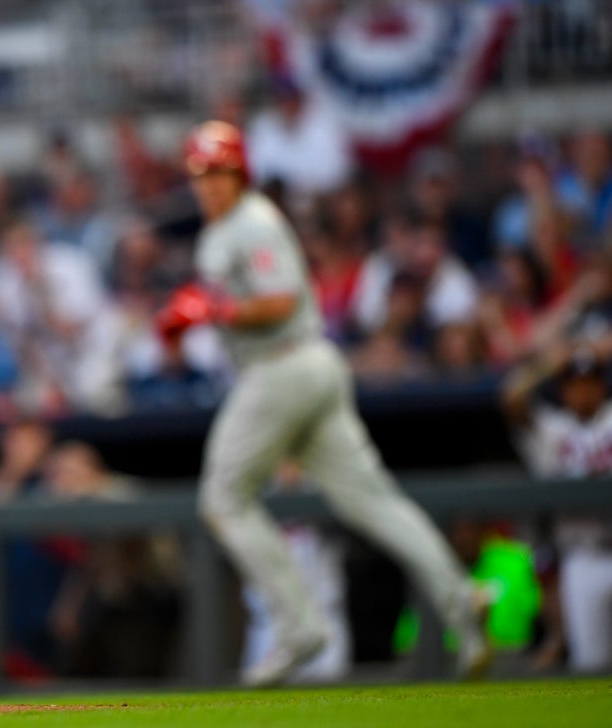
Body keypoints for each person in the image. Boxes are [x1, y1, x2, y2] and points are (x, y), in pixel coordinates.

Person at [156, 121, 490, 687]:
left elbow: (279, 299)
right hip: (301, 371)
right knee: (370, 500)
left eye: (219, 172)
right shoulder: (217, 235)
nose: (210, 184)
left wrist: (214, 312)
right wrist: (187, 323)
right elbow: (228, 305)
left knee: (223, 499)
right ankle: (460, 595)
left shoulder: (253, 222)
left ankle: (296, 624)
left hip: (283, 365)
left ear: (240, 173)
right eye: (201, 174)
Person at [502, 344, 612, 671]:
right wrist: (550, 363)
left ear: (602, 386)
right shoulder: (553, 430)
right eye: (574, 384)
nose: (583, 391)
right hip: (581, 556)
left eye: (590, 382)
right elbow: (512, 399)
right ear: (563, 391)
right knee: (590, 665)